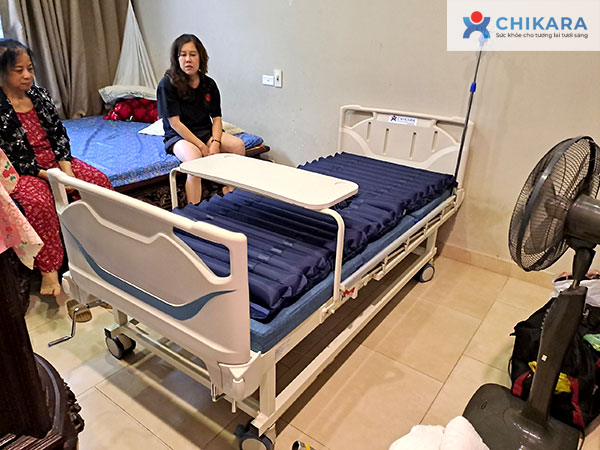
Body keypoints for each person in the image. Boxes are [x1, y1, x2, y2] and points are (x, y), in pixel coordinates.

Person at [0, 38, 114, 302]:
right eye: (19, 70)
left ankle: (104, 249)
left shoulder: (39, 95)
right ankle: (49, 271)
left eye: (30, 68)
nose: (27, 75)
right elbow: (11, 157)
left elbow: (59, 135)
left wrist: (67, 172)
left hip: (56, 161)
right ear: (3, 73)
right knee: (38, 203)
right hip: (23, 170)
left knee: (98, 183)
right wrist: (53, 178)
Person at [157, 34, 245, 205]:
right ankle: (194, 210)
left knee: (238, 145)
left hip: (205, 131)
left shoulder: (209, 84)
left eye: (193, 54)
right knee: (195, 161)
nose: (188, 59)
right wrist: (202, 146)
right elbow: (175, 123)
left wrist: (215, 143)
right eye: (183, 55)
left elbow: (217, 118)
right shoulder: (167, 84)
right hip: (179, 136)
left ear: (201, 57)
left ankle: (229, 191)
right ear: (176, 58)